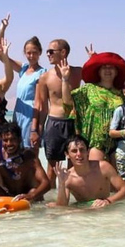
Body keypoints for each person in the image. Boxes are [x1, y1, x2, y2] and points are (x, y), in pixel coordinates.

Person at [61, 52, 125, 161]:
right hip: (94, 143)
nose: (108, 70)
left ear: (116, 72)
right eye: (104, 67)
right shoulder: (88, 89)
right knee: (96, 175)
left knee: (118, 177)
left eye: (111, 68)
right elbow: (68, 102)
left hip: (117, 144)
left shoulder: (122, 94)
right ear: (98, 71)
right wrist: (65, 79)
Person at [36, 39, 83, 187]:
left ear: (63, 52)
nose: (48, 54)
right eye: (47, 52)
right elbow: (42, 107)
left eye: (51, 51)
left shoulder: (78, 72)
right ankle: (52, 203)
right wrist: (37, 130)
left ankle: (72, 203)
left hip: (73, 123)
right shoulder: (45, 77)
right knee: (52, 170)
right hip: (54, 123)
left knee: (74, 167)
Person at [0, 13, 46, 149]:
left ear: (40, 52)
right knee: (16, 151)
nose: (31, 55)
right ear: (25, 53)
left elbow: (40, 103)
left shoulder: (42, 74)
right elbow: (0, 55)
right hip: (18, 113)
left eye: (34, 52)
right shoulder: (23, 69)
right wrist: (2, 30)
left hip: (31, 116)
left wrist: (36, 128)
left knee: (30, 155)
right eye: (28, 52)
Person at [54, 135, 125, 208]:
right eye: (74, 151)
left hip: (105, 209)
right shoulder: (67, 178)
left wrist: (108, 201)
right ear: (67, 154)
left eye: (82, 150)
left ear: (87, 151)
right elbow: (62, 206)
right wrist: (61, 184)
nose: (79, 154)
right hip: (84, 212)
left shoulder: (103, 167)